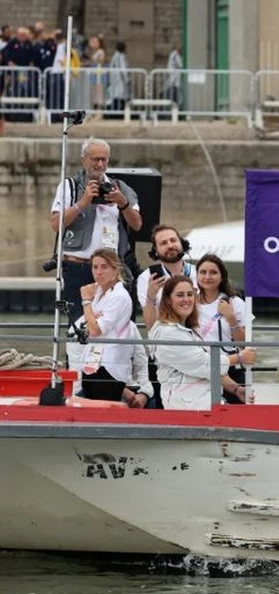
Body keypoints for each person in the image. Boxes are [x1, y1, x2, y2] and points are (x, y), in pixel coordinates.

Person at [49, 137, 142, 323]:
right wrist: (82, 203)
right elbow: (55, 224)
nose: (100, 164)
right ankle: (75, 353)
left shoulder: (119, 187)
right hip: (78, 266)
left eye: (104, 159)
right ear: (84, 160)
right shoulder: (70, 186)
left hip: (111, 268)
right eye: (95, 159)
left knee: (113, 324)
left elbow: (137, 224)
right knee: (79, 324)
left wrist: (122, 202)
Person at [150, 276, 256, 410]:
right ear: (167, 300)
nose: (186, 299)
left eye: (190, 294)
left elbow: (207, 369)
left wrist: (236, 390)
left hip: (204, 403)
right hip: (187, 408)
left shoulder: (187, 330)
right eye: (180, 295)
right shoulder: (167, 334)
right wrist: (239, 358)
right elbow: (205, 364)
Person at [75, 249, 134, 401]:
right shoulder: (99, 293)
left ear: (115, 269)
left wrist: (86, 301)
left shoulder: (119, 296)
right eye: (95, 267)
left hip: (109, 364)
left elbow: (94, 329)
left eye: (104, 267)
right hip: (92, 361)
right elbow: (87, 325)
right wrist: (92, 317)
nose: (98, 272)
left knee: (105, 409)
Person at [196, 254, 250, 404]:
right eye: (203, 272)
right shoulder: (189, 303)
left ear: (222, 276)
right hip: (198, 368)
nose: (207, 277)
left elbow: (245, 343)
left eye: (213, 272)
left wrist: (231, 319)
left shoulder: (235, 303)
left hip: (230, 367)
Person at [138, 225, 196, 331]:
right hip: (166, 339)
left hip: (200, 339)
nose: (170, 246)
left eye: (173, 240)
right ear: (156, 250)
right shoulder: (147, 277)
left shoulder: (198, 273)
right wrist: (151, 296)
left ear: (182, 244)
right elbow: (151, 327)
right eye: (163, 243)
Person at [107, 41, 130, 118]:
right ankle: (118, 115)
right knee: (120, 97)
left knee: (116, 96)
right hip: (120, 79)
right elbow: (123, 69)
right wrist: (127, 79)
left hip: (116, 79)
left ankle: (115, 114)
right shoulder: (120, 56)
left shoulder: (115, 55)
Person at [87, 36, 106, 115]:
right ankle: (94, 111)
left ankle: (99, 112)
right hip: (93, 75)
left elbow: (101, 61)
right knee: (94, 93)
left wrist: (94, 60)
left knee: (99, 94)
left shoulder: (101, 51)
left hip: (99, 75)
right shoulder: (93, 52)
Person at [166, 40, 183, 108]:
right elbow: (181, 65)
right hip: (174, 80)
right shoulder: (175, 55)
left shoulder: (173, 54)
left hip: (174, 79)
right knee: (175, 97)